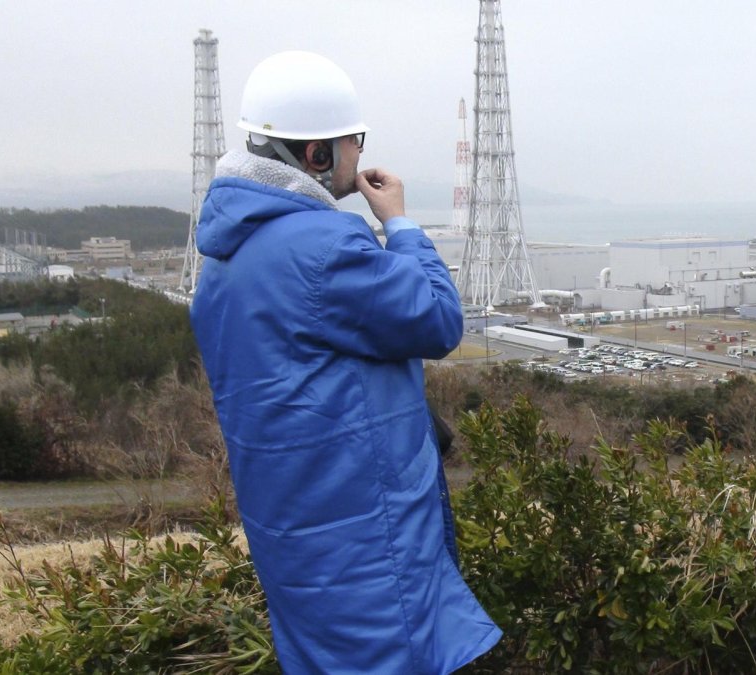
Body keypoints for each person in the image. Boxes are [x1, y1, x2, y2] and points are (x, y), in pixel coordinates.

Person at [189, 50, 501, 674]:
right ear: (317, 156)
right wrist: (401, 225)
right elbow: (438, 320)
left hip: (294, 532)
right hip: (364, 538)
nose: (360, 154)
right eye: (352, 141)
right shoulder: (325, 246)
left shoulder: (221, 262)